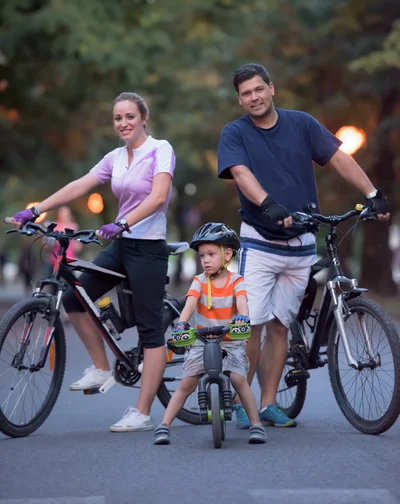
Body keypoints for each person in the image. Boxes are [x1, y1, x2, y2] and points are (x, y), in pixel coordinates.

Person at [217, 63, 391, 429]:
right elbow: (241, 174)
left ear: (271, 88)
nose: (254, 97)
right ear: (239, 99)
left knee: (280, 326)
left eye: (259, 89)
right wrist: (268, 204)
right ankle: (239, 401)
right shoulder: (234, 133)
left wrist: (372, 193)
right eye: (246, 93)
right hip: (260, 243)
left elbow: (339, 158)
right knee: (252, 326)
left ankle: (267, 405)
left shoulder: (302, 124)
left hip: (301, 244)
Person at [10, 92, 176, 433]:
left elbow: (159, 197)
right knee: (74, 298)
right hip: (122, 245)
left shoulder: (161, 149)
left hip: (147, 248)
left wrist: (124, 222)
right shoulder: (115, 157)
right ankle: (101, 367)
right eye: (117, 118)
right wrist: (37, 209)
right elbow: (80, 185)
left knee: (150, 331)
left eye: (130, 116)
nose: (123, 123)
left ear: (144, 117)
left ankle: (142, 412)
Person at [153, 222, 267, 445]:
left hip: (230, 341)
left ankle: (256, 424)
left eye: (211, 254)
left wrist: (243, 317)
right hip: (202, 341)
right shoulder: (199, 281)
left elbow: (242, 302)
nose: (205, 259)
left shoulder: (236, 281)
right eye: (202, 255)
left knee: (238, 379)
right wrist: (182, 323)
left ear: (227, 254)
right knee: (187, 383)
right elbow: (190, 303)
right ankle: (164, 425)